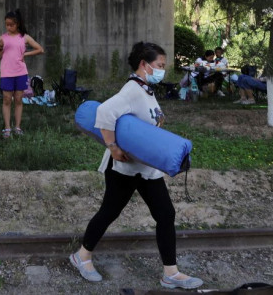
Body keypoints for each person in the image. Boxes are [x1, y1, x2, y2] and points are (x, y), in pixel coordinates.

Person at [70, 41, 204, 290]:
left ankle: (170, 273)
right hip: (124, 168)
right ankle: (82, 256)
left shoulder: (146, 90)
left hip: (146, 169)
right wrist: (112, 147)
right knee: (109, 212)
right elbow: (105, 113)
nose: (163, 70)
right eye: (159, 65)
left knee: (165, 214)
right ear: (144, 65)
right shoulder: (132, 89)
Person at [0, 9, 44, 138]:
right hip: (6, 73)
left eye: (11, 24)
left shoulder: (25, 37)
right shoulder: (2, 38)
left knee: (18, 100)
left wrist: (25, 54)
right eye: (7, 24)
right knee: (6, 99)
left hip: (20, 73)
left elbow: (40, 49)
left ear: (17, 24)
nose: (8, 27)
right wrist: (0, 48)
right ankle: (7, 128)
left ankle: (17, 127)